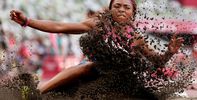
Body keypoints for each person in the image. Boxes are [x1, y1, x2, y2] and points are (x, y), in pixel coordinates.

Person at [10, 0, 184, 94]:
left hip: (117, 78)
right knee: (89, 66)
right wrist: (27, 21)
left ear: (133, 13)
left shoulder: (137, 37)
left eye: (126, 7)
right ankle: (36, 92)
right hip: (90, 69)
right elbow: (60, 27)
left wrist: (169, 51)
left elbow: (157, 61)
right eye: (117, 6)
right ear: (110, 9)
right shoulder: (97, 24)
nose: (121, 10)